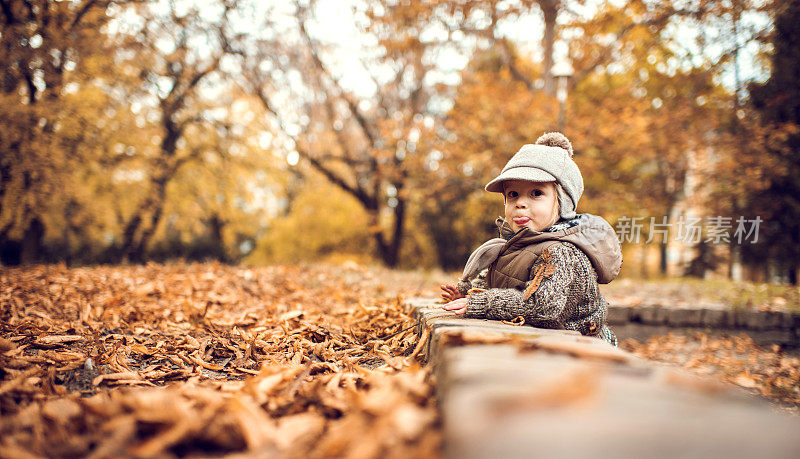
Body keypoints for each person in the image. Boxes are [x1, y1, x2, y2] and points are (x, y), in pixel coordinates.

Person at [440, 132, 622, 345]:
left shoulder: (561, 252)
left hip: (583, 349)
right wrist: (467, 292)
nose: (520, 203)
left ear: (562, 202)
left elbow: (543, 306)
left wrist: (482, 303)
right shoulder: (521, 243)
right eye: (513, 194)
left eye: (536, 193)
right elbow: (504, 277)